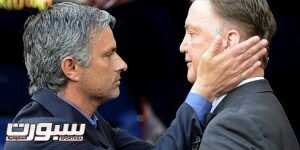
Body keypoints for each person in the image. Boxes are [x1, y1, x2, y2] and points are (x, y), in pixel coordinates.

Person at [4, 2, 267, 150]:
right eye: (109, 54)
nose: (122, 64)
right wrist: (203, 90)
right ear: (71, 68)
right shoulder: (47, 136)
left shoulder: (88, 123)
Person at [180, 0, 300, 149]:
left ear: (230, 41)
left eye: (192, 34)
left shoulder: (232, 125)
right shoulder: (261, 108)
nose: (182, 46)